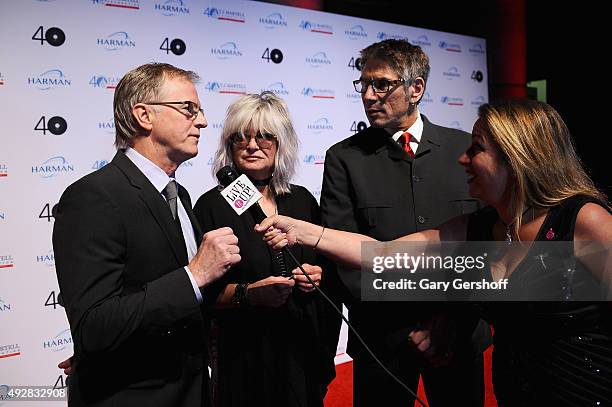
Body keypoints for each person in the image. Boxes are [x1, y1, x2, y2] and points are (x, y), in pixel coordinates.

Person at [258, 98, 612, 405]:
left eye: (476, 149)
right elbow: (380, 254)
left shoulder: (584, 220)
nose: (462, 158)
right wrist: (302, 230)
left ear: (516, 157)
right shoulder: (478, 228)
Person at [52, 63, 240, 407]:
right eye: (189, 109)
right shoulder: (93, 197)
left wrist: (250, 294)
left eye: (199, 111)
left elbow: (188, 303)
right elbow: (94, 327)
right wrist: (194, 274)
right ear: (143, 115)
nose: (201, 121)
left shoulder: (179, 195)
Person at [320, 38, 486, 405]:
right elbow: (343, 256)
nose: (367, 95)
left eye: (381, 84)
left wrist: (450, 317)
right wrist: (407, 325)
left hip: (458, 334)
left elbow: (488, 244)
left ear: (416, 88)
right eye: (362, 84)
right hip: (382, 341)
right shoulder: (343, 159)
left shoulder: (467, 150)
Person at [193, 92, 340, 407]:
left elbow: (326, 271)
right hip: (244, 356)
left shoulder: (301, 200)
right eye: (240, 137)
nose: (251, 145)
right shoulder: (212, 206)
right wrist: (249, 293)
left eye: (264, 136)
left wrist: (315, 276)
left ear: (282, 142)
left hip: (300, 351)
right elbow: (201, 291)